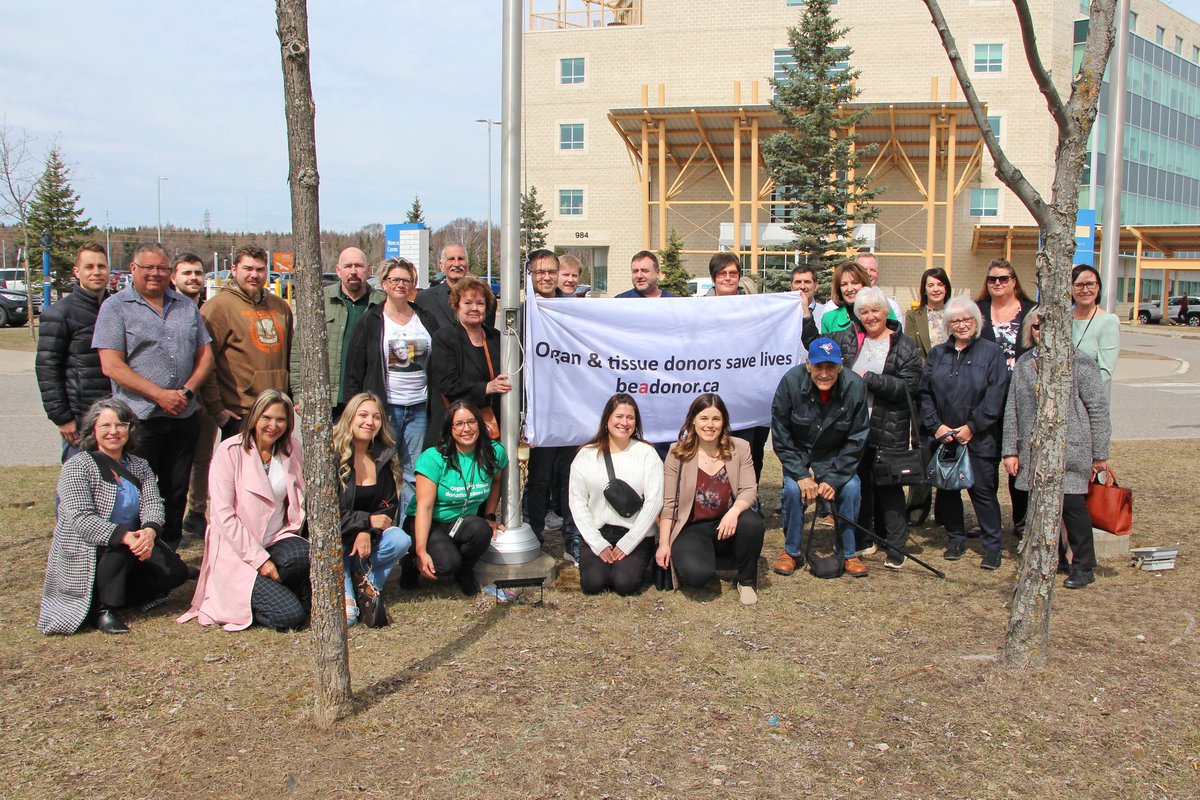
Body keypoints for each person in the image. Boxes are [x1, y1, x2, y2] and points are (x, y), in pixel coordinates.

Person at [93, 242, 215, 551]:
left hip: (182, 415)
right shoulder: (115, 308)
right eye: (148, 268)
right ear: (133, 269)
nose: (155, 274)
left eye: (162, 268)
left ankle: (168, 550)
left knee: (175, 490)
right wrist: (160, 395)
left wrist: (186, 392)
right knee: (136, 490)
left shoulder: (186, 306)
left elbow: (206, 355)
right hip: (138, 418)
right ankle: (135, 552)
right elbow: (111, 364)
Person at [38, 398, 190, 635]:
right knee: (119, 550)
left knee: (175, 572)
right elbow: (81, 519)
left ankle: (120, 594)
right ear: (93, 430)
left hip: (133, 540)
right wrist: (126, 537)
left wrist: (149, 531)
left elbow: (153, 502)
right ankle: (103, 609)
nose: (114, 432)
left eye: (121, 425)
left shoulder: (139, 465)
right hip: (89, 547)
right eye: (105, 426)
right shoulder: (77, 466)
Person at [179, 390, 310, 632]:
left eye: (281, 419)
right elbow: (224, 516)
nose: (273, 425)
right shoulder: (229, 451)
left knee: (304, 554)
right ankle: (255, 596)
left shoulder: (292, 449)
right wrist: (260, 561)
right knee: (292, 618)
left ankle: (272, 590)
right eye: (267, 418)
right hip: (237, 550)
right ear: (254, 418)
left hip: (275, 540)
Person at [1002, 308, 1110, 589]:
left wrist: (1100, 455)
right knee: (1041, 507)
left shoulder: (1080, 362)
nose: (1042, 332)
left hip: (1070, 448)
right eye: (1037, 327)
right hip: (1033, 450)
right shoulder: (1025, 363)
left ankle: (1084, 565)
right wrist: (1010, 451)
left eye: (1048, 326)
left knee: (1072, 506)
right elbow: (1012, 409)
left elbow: (1098, 408)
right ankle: (1055, 559)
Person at [830, 288, 923, 569]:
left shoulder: (904, 345)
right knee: (862, 486)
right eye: (864, 312)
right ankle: (864, 538)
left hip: (889, 427)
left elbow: (909, 387)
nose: (870, 316)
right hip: (856, 428)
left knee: (889, 488)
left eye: (875, 310)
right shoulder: (850, 341)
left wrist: (869, 378)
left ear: (886, 312)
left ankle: (896, 545)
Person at [919, 296, 1010, 569]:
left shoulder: (992, 353)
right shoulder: (938, 354)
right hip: (944, 436)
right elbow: (924, 394)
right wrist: (937, 426)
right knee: (948, 491)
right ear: (948, 324)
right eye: (955, 320)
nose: (961, 325)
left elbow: (996, 396)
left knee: (982, 492)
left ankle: (993, 546)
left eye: (967, 320)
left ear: (977, 321)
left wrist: (971, 427)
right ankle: (955, 538)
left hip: (979, 437)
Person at [343, 257, 436, 513]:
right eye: (395, 279)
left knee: (413, 474)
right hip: (385, 409)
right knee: (381, 469)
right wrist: (353, 409)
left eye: (406, 280)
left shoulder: (425, 318)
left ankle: (407, 536)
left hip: (418, 408)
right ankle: (378, 528)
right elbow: (354, 369)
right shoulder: (371, 320)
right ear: (384, 283)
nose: (401, 285)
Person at [771, 338, 870, 577]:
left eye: (831, 367)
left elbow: (857, 439)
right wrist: (802, 475)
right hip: (800, 452)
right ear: (808, 365)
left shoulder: (855, 386)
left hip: (835, 453)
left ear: (841, 365)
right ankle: (791, 551)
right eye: (818, 367)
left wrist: (834, 479)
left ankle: (848, 552)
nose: (824, 374)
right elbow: (781, 433)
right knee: (794, 490)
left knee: (852, 487)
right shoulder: (790, 382)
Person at [657, 394, 763, 604]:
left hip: (728, 524)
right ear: (693, 420)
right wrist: (663, 544)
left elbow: (750, 490)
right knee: (697, 577)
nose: (710, 425)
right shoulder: (676, 453)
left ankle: (746, 582)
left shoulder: (740, 448)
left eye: (716, 419)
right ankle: (705, 557)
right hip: (692, 527)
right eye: (704, 418)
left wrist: (733, 512)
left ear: (724, 422)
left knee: (752, 523)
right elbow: (669, 504)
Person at [401, 401, 507, 595]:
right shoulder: (433, 458)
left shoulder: (494, 451)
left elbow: (497, 482)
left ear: (479, 424)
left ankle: (464, 571)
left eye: (471, 422)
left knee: (481, 530)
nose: (466, 429)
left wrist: (490, 516)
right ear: (449, 429)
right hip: (429, 522)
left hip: (460, 521)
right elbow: (424, 507)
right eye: (458, 424)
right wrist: (421, 550)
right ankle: (411, 562)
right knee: (446, 564)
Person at [568, 393, 663, 595]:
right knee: (593, 584)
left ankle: (637, 562)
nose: (624, 422)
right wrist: (597, 542)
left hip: (635, 533)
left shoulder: (647, 454)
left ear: (636, 423)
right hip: (599, 531)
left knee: (624, 584)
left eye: (630, 418)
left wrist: (629, 542)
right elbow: (577, 502)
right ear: (607, 420)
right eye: (619, 416)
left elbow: (654, 501)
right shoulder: (585, 455)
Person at [333, 393, 412, 625]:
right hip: (336, 547)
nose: (370, 422)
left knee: (400, 539)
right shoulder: (333, 456)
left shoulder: (382, 456)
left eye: (376, 417)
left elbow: (387, 507)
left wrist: (366, 530)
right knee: (347, 620)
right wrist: (366, 522)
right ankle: (361, 587)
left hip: (365, 545)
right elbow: (329, 515)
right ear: (350, 417)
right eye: (363, 415)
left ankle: (364, 582)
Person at [200, 244, 294, 440]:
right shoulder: (218, 307)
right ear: (234, 270)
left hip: (277, 408)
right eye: (248, 269)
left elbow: (291, 358)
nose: (254, 275)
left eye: (260, 270)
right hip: (240, 411)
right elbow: (204, 362)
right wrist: (216, 408)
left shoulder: (280, 307)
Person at [976, 257, 1037, 537]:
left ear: (1014, 281)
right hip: (985, 399)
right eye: (992, 279)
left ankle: (1022, 519)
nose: (998, 283)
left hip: (1022, 398)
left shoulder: (1032, 311)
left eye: (1004, 278)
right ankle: (987, 521)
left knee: (1019, 463)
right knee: (985, 463)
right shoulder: (978, 311)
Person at [36, 243, 113, 463]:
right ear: (77, 271)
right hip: (81, 417)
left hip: (115, 412)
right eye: (89, 266)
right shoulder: (60, 313)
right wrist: (62, 417)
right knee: (77, 484)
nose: (96, 272)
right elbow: (47, 368)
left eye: (102, 266)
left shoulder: (116, 308)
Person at [291, 247, 384, 415]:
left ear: (368, 270)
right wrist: (299, 395)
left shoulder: (383, 303)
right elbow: (299, 351)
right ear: (338, 270)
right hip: (330, 400)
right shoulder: (319, 301)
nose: (354, 271)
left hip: (369, 400)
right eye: (348, 266)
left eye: (359, 266)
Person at [427, 275, 510, 443]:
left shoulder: (497, 338)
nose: (474, 308)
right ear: (456, 306)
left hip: (490, 426)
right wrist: (486, 387)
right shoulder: (444, 337)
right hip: (456, 426)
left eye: (480, 303)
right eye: (468, 303)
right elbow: (448, 384)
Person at [708, 253, 769, 480]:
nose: (727, 278)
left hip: (747, 394)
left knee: (751, 450)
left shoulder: (755, 308)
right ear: (713, 277)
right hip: (713, 391)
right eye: (722, 273)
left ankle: (749, 497)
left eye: (733, 273)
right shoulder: (697, 307)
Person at [172, 252, 218, 539]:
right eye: (187, 273)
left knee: (203, 458)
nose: (193, 278)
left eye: (198, 273)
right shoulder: (167, 309)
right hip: (171, 399)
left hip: (204, 397)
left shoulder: (207, 309)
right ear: (174, 276)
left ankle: (196, 511)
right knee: (175, 460)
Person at [1070, 264, 1120, 392]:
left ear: (1098, 287)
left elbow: (1105, 372)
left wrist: (1077, 396)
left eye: (1090, 284)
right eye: (1079, 285)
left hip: (1088, 400)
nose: (1085, 290)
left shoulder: (1108, 322)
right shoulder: (1061, 320)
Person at [820, 260, 898, 335]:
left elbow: (896, 341)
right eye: (844, 284)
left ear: (864, 284)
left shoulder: (883, 310)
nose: (849, 289)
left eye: (854, 283)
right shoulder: (829, 319)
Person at [414, 242, 473, 333]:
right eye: (451, 259)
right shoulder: (425, 298)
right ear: (442, 266)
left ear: (467, 264)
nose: (456, 264)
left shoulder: (482, 299)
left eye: (461, 259)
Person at [903, 267, 951, 359]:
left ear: (946, 288)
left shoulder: (956, 314)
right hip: (925, 370)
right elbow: (910, 350)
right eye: (931, 285)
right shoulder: (912, 316)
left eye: (940, 284)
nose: (936, 289)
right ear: (924, 290)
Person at [854, 252, 904, 330]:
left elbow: (899, 337)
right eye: (863, 270)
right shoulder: (834, 307)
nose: (868, 273)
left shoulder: (892, 306)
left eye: (873, 270)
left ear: (878, 274)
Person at [790, 263, 827, 338]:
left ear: (816, 286)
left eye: (807, 282)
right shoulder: (784, 314)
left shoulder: (825, 314)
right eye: (798, 282)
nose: (802, 286)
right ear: (791, 286)